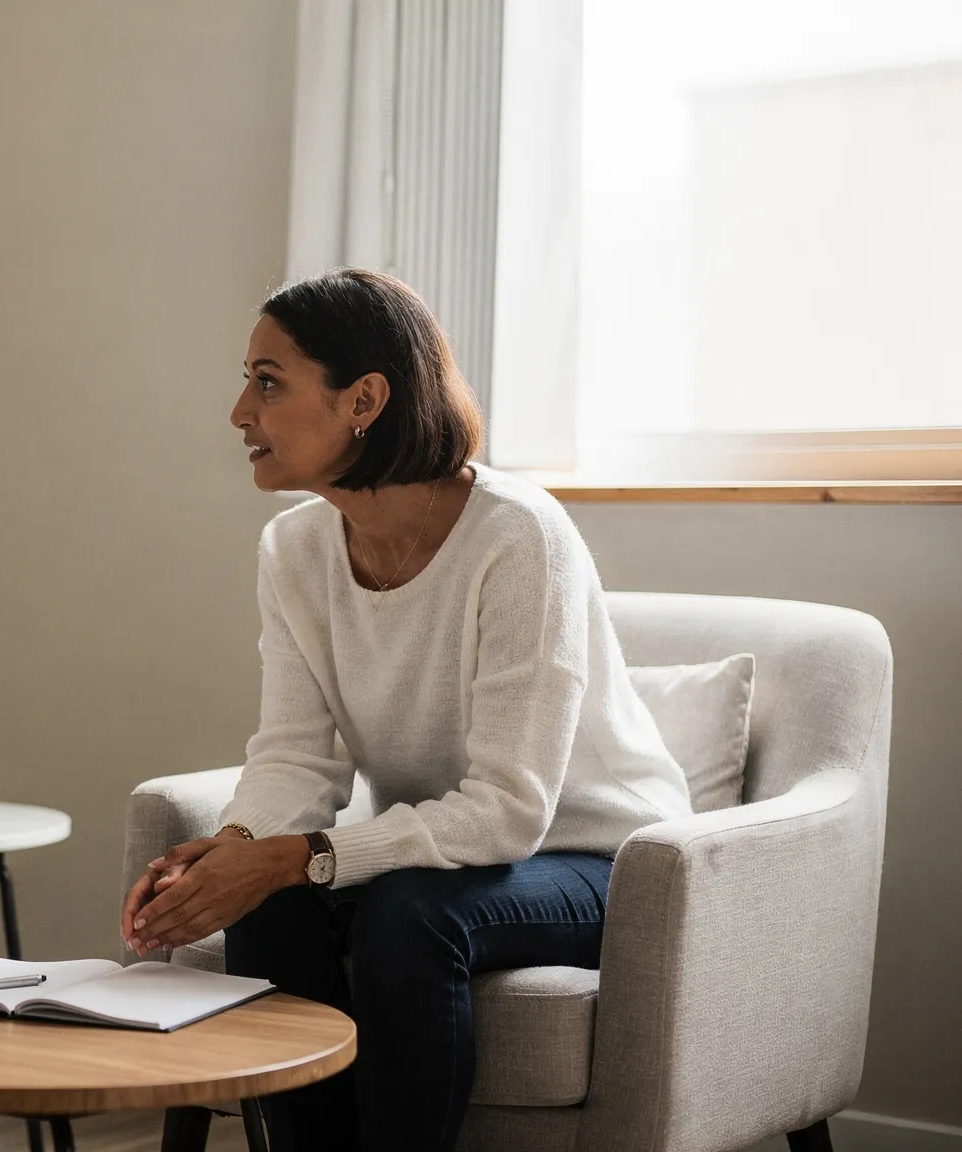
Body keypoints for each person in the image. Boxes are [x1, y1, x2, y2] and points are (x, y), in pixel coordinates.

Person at [119, 268, 692, 1151]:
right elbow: (296, 758)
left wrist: (294, 855)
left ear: (365, 398)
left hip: (597, 856)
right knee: (270, 906)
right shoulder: (294, 549)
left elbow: (507, 811)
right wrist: (234, 854)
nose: (240, 412)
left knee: (410, 913)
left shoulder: (517, 536)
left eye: (267, 382)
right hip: (452, 857)